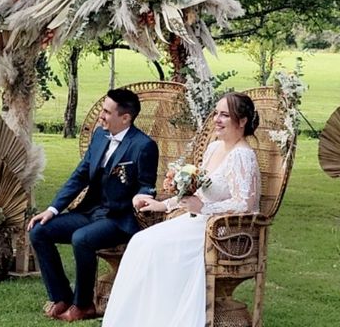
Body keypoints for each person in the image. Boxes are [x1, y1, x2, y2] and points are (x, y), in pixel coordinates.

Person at [102, 92, 261, 327]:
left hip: (222, 231)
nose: (216, 119)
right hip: (197, 220)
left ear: (242, 121)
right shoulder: (214, 148)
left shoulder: (242, 156)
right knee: (141, 242)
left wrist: (206, 207)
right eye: (216, 113)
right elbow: (194, 193)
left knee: (157, 247)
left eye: (225, 115)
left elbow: (244, 204)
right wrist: (163, 204)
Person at [27, 88, 159, 322]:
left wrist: (142, 197)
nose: (101, 115)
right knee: (39, 230)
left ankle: (83, 305)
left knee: (82, 238)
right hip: (89, 212)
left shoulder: (144, 146)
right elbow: (79, 176)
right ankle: (62, 298)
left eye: (107, 112)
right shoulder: (99, 136)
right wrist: (52, 209)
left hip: (119, 219)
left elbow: (146, 185)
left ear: (125, 117)